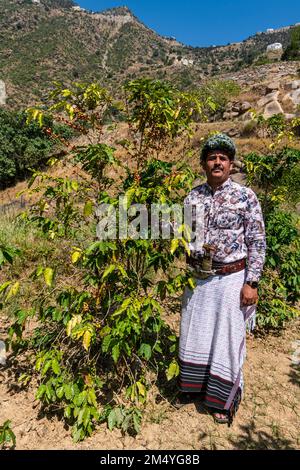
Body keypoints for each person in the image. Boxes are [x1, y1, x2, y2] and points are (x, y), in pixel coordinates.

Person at [177, 133, 266, 425]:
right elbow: (187, 234)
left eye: (223, 158)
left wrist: (251, 282)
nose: (217, 163)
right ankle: (193, 387)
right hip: (200, 277)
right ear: (204, 164)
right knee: (195, 332)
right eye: (212, 158)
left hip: (231, 277)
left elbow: (257, 240)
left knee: (227, 339)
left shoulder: (245, 196)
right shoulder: (193, 196)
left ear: (230, 164)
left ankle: (224, 400)